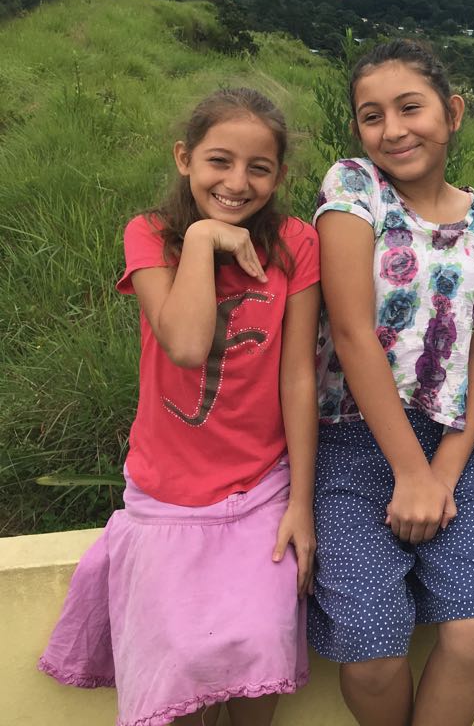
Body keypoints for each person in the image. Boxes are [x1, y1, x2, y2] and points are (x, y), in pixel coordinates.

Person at [39, 87, 320, 725]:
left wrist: (300, 504)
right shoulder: (150, 235)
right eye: (219, 161)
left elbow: (298, 376)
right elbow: (188, 345)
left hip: (261, 487)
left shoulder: (294, 244)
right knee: (178, 672)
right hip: (167, 491)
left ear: (279, 176)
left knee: (259, 654)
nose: (237, 183)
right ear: (184, 158)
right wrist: (200, 240)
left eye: (259, 168)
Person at [309, 39, 474, 726]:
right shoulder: (354, 187)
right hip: (352, 439)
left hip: (462, 445)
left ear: (452, 113)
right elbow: (350, 331)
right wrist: (409, 471)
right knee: (371, 651)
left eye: (410, 108)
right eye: (373, 116)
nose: (393, 129)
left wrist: (443, 470)